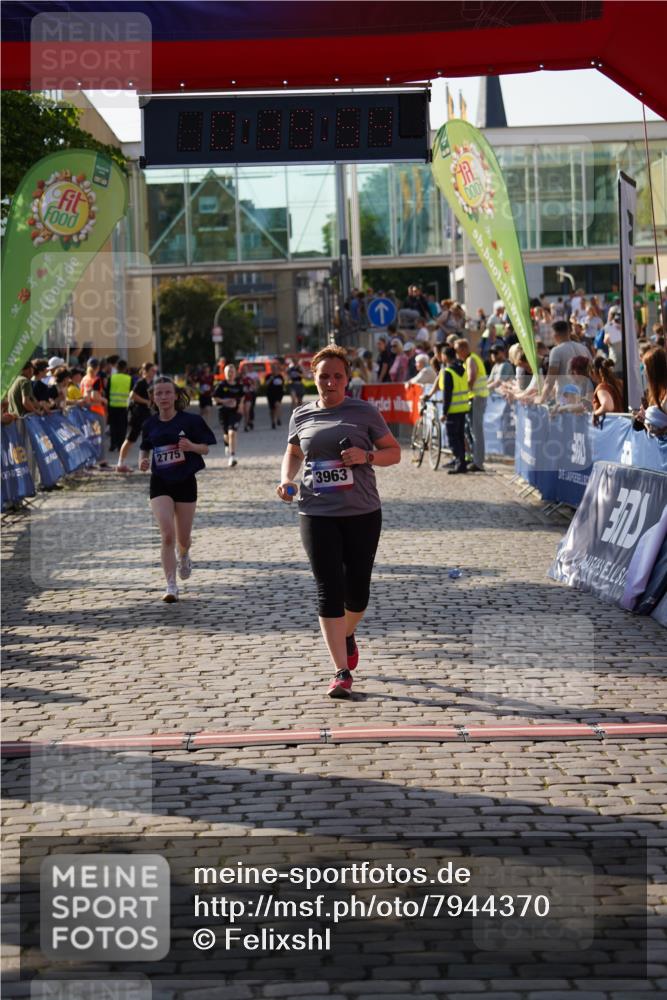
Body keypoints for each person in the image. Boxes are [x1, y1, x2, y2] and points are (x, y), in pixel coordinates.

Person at [276, 345, 400, 698]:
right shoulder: (301, 414)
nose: (330, 382)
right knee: (328, 588)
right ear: (313, 378)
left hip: (362, 512)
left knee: (357, 592)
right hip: (316, 512)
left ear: (347, 379)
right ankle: (341, 671)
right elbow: (293, 452)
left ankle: (346, 632)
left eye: (337, 376)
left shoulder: (364, 412)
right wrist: (286, 479)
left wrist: (367, 456)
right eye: (323, 376)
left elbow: (394, 452)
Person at [139, 377, 216, 602]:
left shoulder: (191, 421)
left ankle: (184, 554)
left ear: (175, 396)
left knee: (183, 538)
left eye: (167, 392)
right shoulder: (149, 424)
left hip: (185, 481)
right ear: (153, 398)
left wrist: (191, 446)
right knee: (166, 535)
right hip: (160, 482)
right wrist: (142, 460)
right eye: (159, 393)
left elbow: (205, 449)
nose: (163, 397)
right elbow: (144, 448)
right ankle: (171, 585)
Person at [536, 320, 591, 402]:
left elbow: (550, 380)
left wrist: (541, 399)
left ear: (555, 334)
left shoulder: (556, 351)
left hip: (566, 399)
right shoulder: (583, 348)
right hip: (584, 397)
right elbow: (591, 371)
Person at [455, 338, 488, 472]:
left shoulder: (471, 360)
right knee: (472, 430)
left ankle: (478, 462)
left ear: (463, 349)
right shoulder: (471, 359)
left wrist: (464, 392)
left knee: (476, 431)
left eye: (457, 350)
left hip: (476, 397)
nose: (456, 354)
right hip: (477, 397)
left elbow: (471, 377)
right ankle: (476, 460)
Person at [117, 361, 156, 473]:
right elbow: (132, 395)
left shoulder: (150, 383)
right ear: (146, 371)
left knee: (149, 438)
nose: (154, 372)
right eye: (152, 370)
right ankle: (120, 463)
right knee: (131, 438)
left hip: (146, 415)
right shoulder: (141, 382)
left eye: (155, 371)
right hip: (137, 415)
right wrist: (146, 402)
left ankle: (146, 463)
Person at [438, 345, 471, 474]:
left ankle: (460, 462)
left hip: (453, 410)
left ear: (445, 356)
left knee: (453, 439)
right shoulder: (462, 369)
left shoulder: (448, 372)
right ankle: (462, 463)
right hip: (463, 408)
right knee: (460, 437)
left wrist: (444, 412)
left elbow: (447, 394)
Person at [213, 363, 244, 467]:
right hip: (223, 412)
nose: (230, 374)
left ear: (235, 373)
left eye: (232, 372)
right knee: (226, 435)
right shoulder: (221, 385)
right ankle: (226, 444)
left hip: (235, 413)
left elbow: (242, 397)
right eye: (228, 372)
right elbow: (215, 398)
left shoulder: (239, 385)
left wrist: (240, 406)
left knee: (232, 433)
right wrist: (225, 401)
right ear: (224, 373)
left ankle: (232, 457)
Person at [107, 358, 132, 453]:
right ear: (125, 368)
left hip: (112, 405)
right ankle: (120, 445)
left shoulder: (111, 378)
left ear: (117, 368)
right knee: (122, 427)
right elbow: (132, 392)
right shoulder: (128, 379)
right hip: (123, 406)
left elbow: (107, 391)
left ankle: (113, 444)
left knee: (113, 426)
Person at [592, 357, 624, 423]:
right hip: (622, 424)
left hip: (611, 426)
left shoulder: (602, 387)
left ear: (594, 372)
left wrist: (595, 414)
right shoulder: (619, 383)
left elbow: (607, 406)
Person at [266, 361, 285, 429]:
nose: (274, 370)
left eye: (275, 368)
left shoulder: (280, 376)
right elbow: (267, 384)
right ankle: (273, 422)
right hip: (270, 393)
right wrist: (271, 378)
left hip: (279, 393)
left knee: (277, 404)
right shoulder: (268, 376)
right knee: (272, 409)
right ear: (271, 369)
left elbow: (283, 384)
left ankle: (278, 418)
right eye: (273, 368)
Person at [197, 364, 215, 428]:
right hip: (202, 395)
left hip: (208, 395)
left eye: (207, 368)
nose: (206, 369)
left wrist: (212, 391)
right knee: (202, 411)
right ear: (203, 369)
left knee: (208, 409)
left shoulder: (211, 376)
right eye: (205, 368)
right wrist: (198, 390)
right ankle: (198, 419)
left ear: (209, 369)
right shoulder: (200, 376)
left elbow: (212, 385)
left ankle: (207, 425)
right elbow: (196, 384)